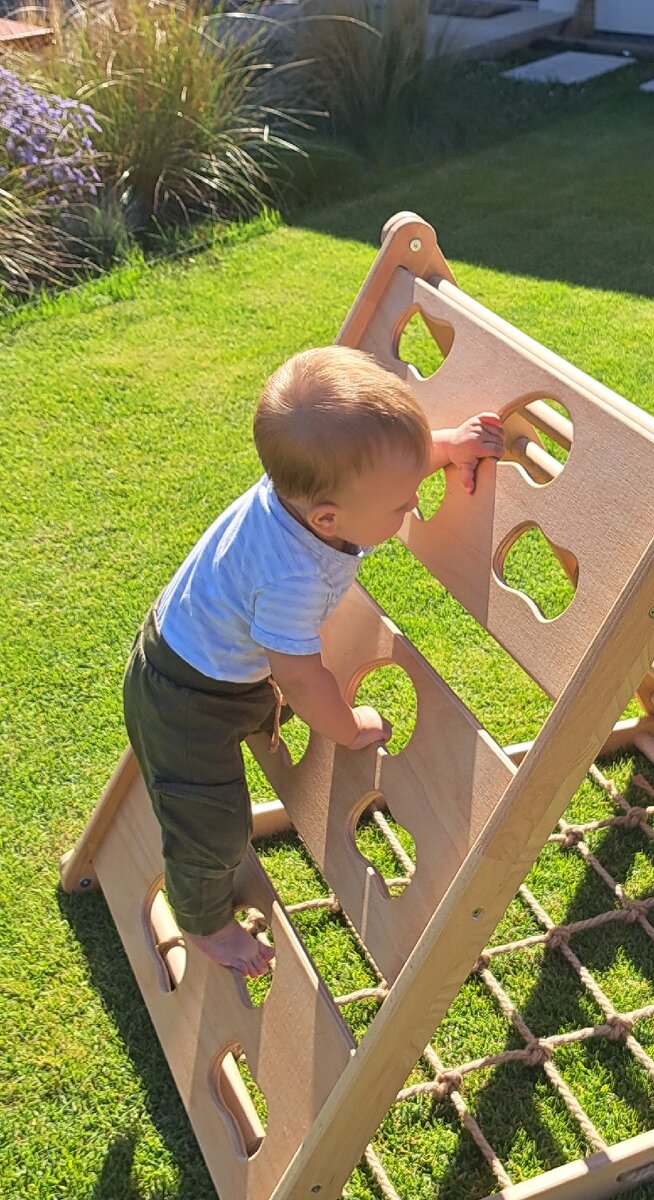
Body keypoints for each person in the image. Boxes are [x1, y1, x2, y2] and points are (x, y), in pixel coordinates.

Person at [123, 346, 504, 977]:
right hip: (187, 701)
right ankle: (205, 923)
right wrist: (348, 727)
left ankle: (247, 725)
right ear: (329, 518)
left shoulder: (307, 489)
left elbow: (383, 463)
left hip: (199, 660)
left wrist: (445, 446)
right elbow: (300, 674)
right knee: (213, 825)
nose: (412, 505)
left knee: (255, 713)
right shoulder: (292, 574)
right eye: (401, 504)